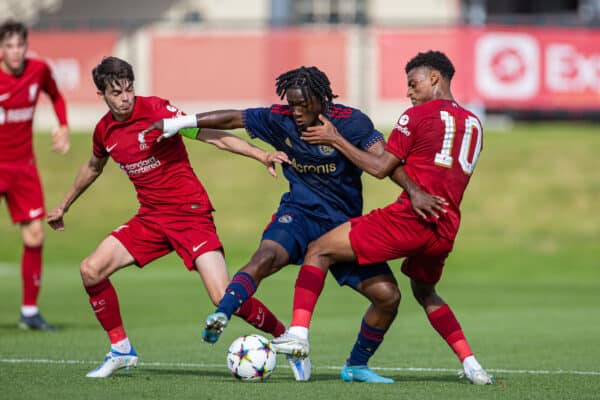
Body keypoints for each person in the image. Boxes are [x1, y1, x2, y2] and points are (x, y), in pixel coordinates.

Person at [146, 66, 445, 383]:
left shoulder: (352, 122)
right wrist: (180, 123)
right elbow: (234, 117)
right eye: (292, 105)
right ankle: (223, 312)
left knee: (388, 296)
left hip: (342, 225)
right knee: (264, 258)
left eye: (303, 105)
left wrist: (413, 192)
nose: (297, 112)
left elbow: (383, 160)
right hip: (299, 213)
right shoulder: (280, 118)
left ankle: (356, 365)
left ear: (321, 99)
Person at [46, 56, 289, 378]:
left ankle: (285, 338)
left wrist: (261, 155)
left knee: (222, 295)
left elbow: (210, 135)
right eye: (116, 92)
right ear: (102, 94)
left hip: (190, 215)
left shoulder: (157, 111)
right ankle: (121, 350)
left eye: (129, 89)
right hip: (150, 218)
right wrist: (64, 205)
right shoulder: (104, 130)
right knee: (91, 270)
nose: (125, 97)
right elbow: (93, 167)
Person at [274, 51, 495, 385]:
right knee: (425, 292)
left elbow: (379, 168)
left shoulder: (415, 117)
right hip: (446, 226)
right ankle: (471, 365)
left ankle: (298, 335)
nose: (409, 91)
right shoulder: (474, 123)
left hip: (412, 218)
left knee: (318, 249)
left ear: (434, 77)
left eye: (413, 82)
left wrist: (335, 138)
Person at [0, 20, 70, 331]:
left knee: (35, 235)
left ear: (26, 47)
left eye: (20, 45)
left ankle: (29, 312)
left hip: (23, 165)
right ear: (1, 49)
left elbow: (56, 96)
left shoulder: (38, 70)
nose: (15, 52)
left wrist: (63, 126)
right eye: (9, 46)